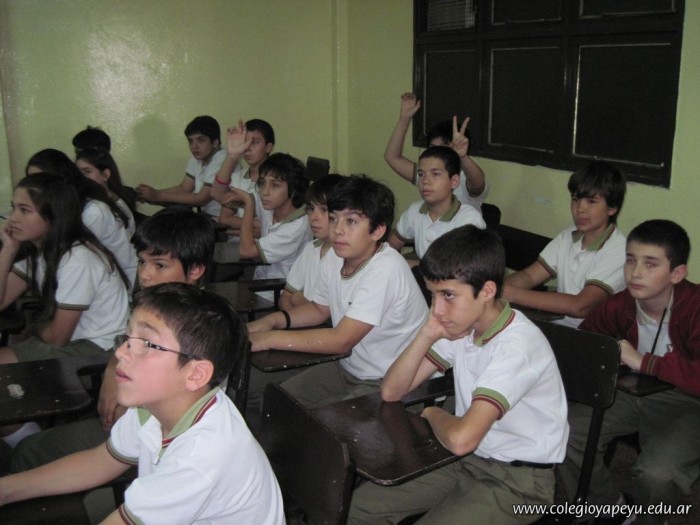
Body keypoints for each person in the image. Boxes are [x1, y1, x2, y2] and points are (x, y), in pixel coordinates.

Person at [0, 283, 284, 524]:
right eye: (127, 338)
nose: (121, 353)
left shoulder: (201, 456)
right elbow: (101, 461)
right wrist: (5, 489)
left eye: (147, 344)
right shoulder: (157, 406)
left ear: (196, 375)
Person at [348, 225, 569, 524]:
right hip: (466, 459)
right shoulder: (464, 326)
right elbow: (391, 391)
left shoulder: (516, 347)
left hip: (517, 483)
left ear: (487, 291)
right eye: (433, 295)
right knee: (361, 508)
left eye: (448, 295)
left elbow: (462, 439)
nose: (438, 309)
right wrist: (427, 333)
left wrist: (432, 413)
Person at [10, 208, 215, 471]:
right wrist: (110, 370)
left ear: (195, 269)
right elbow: (126, 343)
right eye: (142, 262)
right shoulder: (156, 306)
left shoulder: (201, 326)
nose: (146, 274)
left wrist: (124, 408)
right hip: (134, 419)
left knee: (30, 452)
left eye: (160, 265)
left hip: (157, 435)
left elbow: (173, 407)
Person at [560, 220, 700, 525]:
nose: (635, 273)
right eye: (630, 260)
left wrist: (644, 362)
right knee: (564, 432)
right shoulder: (619, 305)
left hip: (690, 401)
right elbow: (586, 345)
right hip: (631, 391)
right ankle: (610, 508)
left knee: (658, 474)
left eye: (650, 264)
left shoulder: (695, 307)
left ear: (677, 273)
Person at [247, 175, 428, 409]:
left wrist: (268, 339)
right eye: (333, 219)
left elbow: (342, 340)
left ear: (377, 230)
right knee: (277, 403)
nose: (338, 230)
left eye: (351, 221)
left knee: (317, 424)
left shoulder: (386, 268)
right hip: (348, 367)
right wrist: (272, 321)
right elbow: (319, 309)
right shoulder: (335, 255)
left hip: (393, 381)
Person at [0, 174, 130, 447]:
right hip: (74, 341)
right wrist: (9, 249)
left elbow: (58, 337)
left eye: (24, 210)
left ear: (52, 217)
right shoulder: (43, 251)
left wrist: (34, 327)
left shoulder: (76, 258)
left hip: (99, 348)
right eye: (13, 208)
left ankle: (36, 448)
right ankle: (31, 444)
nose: (13, 218)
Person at [502, 160, 627, 327]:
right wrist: (500, 290)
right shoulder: (567, 236)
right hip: (558, 326)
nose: (580, 209)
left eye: (591, 201)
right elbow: (530, 276)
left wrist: (512, 294)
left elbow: (580, 306)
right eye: (575, 199)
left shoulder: (619, 250)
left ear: (612, 208)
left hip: (592, 336)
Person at [26, 149, 138, 286]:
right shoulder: (61, 207)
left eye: (41, 180)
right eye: (30, 180)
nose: (33, 187)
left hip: (118, 285)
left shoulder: (92, 212)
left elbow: (69, 260)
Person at [224, 152, 311, 299]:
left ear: (294, 190)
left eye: (275, 185)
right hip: (259, 283)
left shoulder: (296, 227)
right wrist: (232, 156)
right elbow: (219, 195)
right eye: (262, 183)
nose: (265, 192)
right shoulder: (271, 206)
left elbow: (245, 251)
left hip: (277, 293)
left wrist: (249, 204)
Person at [385, 92, 488, 211]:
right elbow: (392, 157)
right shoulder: (425, 174)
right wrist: (404, 118)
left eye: (444, 147)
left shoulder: (465, 177)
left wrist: (462, 157)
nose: (437, 153)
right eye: (433, 148)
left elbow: (478, 184)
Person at [388, 145, 485, 264]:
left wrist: (413, 266)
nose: (425, 181)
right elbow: (392, 244)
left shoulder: (469, 219)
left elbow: (465, 269)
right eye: (421, 174)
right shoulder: (415, 210)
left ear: (454, 181)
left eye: (435, 174)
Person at [136, 115, 225, 217]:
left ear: (215, 142)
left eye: (201, 140)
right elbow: (184, 188)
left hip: (222, 220)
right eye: (191, 141)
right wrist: (151, 194)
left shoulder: (223, 160)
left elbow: (202, 199)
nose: (194, 146)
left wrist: (157, 195)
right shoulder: (197, 158)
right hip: (206, 216)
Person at [279, 173, 345, 310]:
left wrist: (299, 300)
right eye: (311, 208)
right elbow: (286, 297)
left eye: (324, 210)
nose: (314, 217)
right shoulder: (311, 249)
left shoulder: (346, 257)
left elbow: (331, 314)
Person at [211, 119, 276, 237]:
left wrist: (235, 228)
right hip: (240, 241)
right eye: (244, 142)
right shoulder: (238, 177)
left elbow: (268, 229)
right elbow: (224, 217)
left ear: (268, 147)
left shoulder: (277, 179)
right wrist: (232, 155)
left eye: (254, 142)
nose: (247, 148)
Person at [76, 148, 137, 236]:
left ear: (105, 175)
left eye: (87, 171)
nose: (81, 177)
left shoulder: (96, 210)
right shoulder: (112, 198)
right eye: (78, 172)